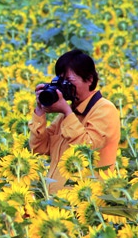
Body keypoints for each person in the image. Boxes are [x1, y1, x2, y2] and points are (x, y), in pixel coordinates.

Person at [28, 49, 121, 193]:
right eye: (61, 82)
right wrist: (40, 112)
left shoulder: (104, 109)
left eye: (69, 82)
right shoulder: (70, 113)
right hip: (60, 205)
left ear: (89, 79)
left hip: (88, 200)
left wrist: (66, 111)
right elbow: (39, 148)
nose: (65, 87)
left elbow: (87, 148)